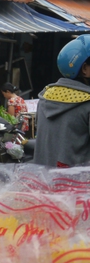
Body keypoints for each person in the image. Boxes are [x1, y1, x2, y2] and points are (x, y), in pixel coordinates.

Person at [34, 35, 90, 168]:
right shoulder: (87, 104)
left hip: (42, 181)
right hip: (76, 185)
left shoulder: (45, 97)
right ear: (84, 69)